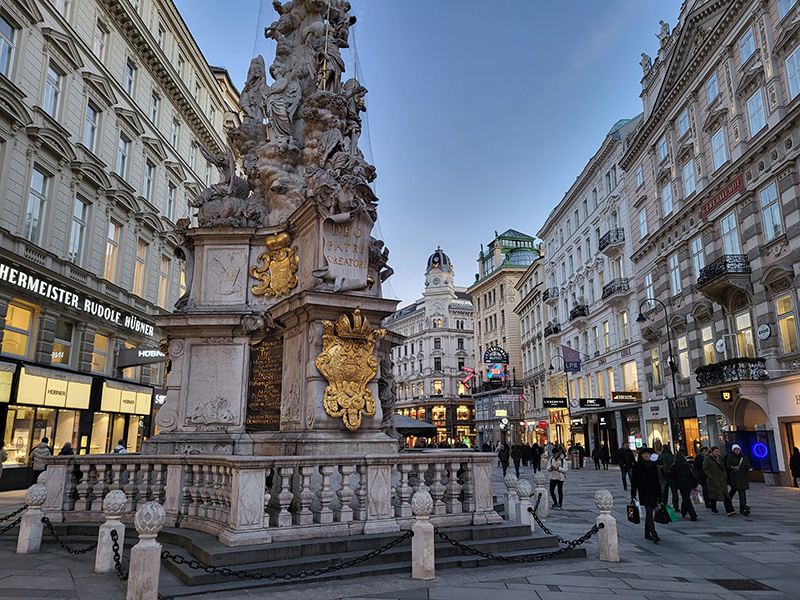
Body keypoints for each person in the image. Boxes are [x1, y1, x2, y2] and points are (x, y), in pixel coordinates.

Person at [631, 447, 661, 543]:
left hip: (653, 492)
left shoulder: (653, 465)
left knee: (650, 512)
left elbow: (657, 480)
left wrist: (660, 494)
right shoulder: (637, 466)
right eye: (645, 454)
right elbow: (634, 481)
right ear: (642, 455)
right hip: (644, 491)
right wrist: (633, 494)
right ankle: (654, 533)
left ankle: (647, 533)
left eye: (648, 454)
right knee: (649, 512)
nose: (647, 456)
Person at [704, 446, 736, 516]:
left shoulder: (720, 458)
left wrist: (724, 474)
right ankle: (713, 507)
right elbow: (705, 468)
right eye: (716, 451)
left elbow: (723, 467)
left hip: (721, 479)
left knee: (725, 495)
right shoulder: (708, 459)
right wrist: (710, 476)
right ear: (712, 452)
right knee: (713, 495)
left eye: (718, 451)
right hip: (713, 480)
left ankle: (730, 510)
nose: (717, 453)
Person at [667, 451, 698, 521]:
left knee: (686, 499)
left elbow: (670, 475)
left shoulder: (675, 465)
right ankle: (684, 511)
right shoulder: (687, 464)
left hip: (681, 484)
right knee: (686, 498)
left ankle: (693, 515)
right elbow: (693, 474)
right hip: (689, 484)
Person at [725, 444, 752, 515]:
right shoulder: (730, 457)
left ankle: (743, 507)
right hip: (735, 478)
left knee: (742, 492)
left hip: (743, 478)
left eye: (738, 449)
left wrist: (749, 468)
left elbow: (747, 465)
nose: (737, 451)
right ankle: (731, 503)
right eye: (735, 449)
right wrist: (731, 468)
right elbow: (728, 466)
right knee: (736, 491)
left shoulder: (743, 457)